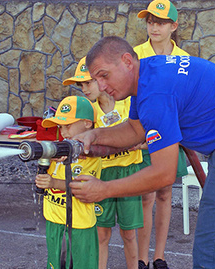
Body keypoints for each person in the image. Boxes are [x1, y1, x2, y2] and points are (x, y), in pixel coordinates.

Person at [70, 36, 215, 268]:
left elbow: (163, 174)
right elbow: (134, 130)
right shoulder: (148, 75)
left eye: (104, 75)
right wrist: (95, 135)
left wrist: (104, 190)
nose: (101, 87)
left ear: (127, 61)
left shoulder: (155, 93)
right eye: (96, 79)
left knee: (212, 252)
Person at [63, 57, 144, 269]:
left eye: (87, 82)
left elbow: (147, 135)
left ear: (102, 79)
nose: (84, 88)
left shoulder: (128, 101)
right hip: (102, 175)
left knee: (128, 234)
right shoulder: (88, 112)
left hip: (129, 173)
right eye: (80, 85)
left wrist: (141, 145)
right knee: (102, 234)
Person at [133, 1, 189, 268]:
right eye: (150, 21)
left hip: (170, 136)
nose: (153, 27)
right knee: (147, 195)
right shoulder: (134, 55)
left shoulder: (184, 59)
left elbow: (185, 102)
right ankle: (142, 258)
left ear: (173, 26)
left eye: (160, 22)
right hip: (144, 136)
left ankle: (159, 256)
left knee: (166, 194)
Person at [37, 95, 102, 269]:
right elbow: (44, 178)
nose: (63, 132)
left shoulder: (92, 157)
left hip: (79, 227)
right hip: (54, 223)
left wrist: (52, 183)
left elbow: (82, 187)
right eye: (60, 127)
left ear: (87, 124)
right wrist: (45, 164)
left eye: (68, 126)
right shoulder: (56, 152)